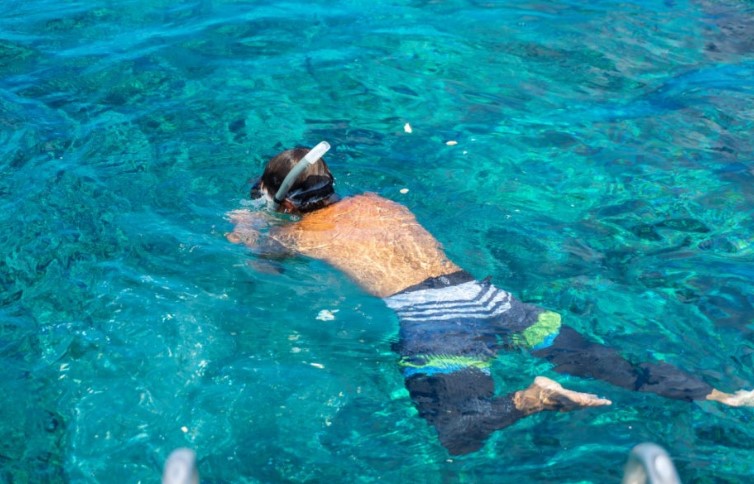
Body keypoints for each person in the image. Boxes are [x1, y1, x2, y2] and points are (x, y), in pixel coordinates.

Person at [226, 143, 754, 455]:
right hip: (488, 296)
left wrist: (251, 219)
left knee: (456, 433)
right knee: (605, 363)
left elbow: (258, 265)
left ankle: (533, 399)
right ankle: (722, 396)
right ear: (332, 183)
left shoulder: (297, 236)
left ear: (286, 203)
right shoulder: (375, 202)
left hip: (432, 319)